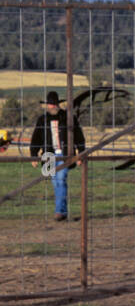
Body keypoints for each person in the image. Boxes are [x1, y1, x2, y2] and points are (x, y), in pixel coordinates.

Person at [28, 91, 85, 222]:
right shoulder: (42, 120)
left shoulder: (69, 118)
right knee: (55, 182)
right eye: (50, 104)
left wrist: (80, 154)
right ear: (47, 105)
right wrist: (33, 155)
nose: (53, 107)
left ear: (58, 104)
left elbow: (78, 136)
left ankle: (59, 211)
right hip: (48, 155)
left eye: (54, 104)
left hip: (65, 154)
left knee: (61, 179)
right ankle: (62, 211)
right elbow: (36, 138)